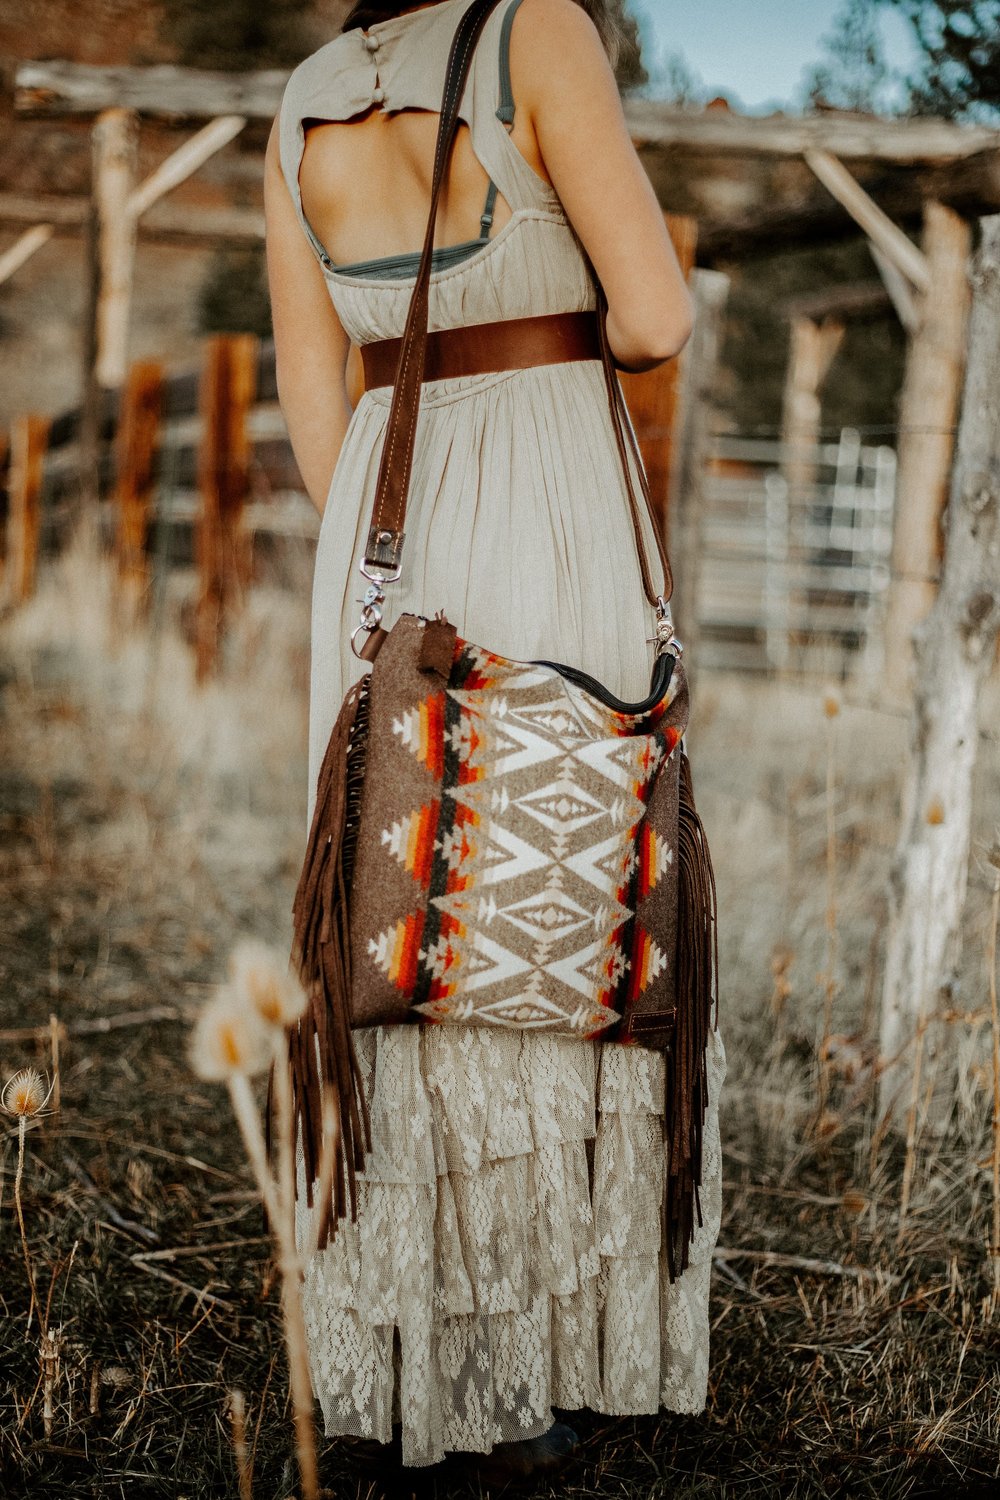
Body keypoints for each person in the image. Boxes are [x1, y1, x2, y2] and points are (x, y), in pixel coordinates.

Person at [264, 0, 727, 1476]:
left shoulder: (303, 96)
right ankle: (552, 1357)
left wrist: (396, 569)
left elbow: (309, 389)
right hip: (547, 490)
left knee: (408, 911)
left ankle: (420, 1345)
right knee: (559, 872)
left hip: (385, 532)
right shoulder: (539, 30)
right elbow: (653, 320)